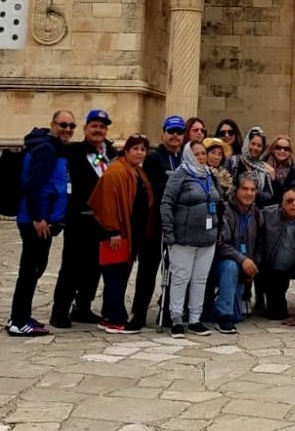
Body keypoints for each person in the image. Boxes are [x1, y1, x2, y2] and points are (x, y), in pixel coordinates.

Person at [6, 110, 74, 337]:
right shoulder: (46, 149)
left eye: (72, 126)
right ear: (52, 125)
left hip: (41, 219)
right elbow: (33, 184)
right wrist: (38, 217)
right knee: (31, 268)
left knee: (35, 267)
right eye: (63, 125)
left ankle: (20, 314)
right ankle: (18, 320)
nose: (67, 129)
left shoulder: (52, 147)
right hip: (36, 220)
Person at [51, 108, 116, 329]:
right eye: (94, 126)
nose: (98, 130)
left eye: (102, 127)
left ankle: (83, 306)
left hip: (101, 221)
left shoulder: (112, 154)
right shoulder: (73, 152)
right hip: (79, 219)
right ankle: (60, 309)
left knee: (94, 266)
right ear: (86, 128)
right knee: (71, 266)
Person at [89, 133, 156, 333]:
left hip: (133, 233)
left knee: (119, 274)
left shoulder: (136, 171)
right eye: (135, 148)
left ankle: (111, 313)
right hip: (117, 233)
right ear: (126, 150)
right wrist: (113, 231)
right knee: (115, 274)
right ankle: (114, 317)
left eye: (143, 149)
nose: (139, 152)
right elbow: (107, 203)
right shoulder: (117, 171)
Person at [161, 141, 221, 336]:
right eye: (197, 154)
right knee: (180, 278)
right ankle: (176, 318)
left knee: (200, 279)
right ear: (188, 155)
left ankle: (195, 318)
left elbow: (217, 201)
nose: (201, 157)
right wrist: (168, 231)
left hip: (207, 238)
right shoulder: (181, 174)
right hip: (183, 237)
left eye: (203, 153)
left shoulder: (208, 175)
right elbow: (167, 202)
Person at [134, 115, 185, 330]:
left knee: (174, 271)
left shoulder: (184, 157)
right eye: (171, 131)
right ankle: (138, 314)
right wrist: (173, 187)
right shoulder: (155, 158)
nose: (175, 136)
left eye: (179, 132)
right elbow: (151, 188)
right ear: (163, 133)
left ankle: (167, 312)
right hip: (154, 224)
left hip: (178, 224)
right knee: (148, 270)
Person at [255, 186, 295, 321]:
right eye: (289, 201)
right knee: (275, 314)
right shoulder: (267, 215)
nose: (294, 204)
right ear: (282, 203)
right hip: (274, 267)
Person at [213, 173, 261, 334]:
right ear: (236, 190)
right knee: (231, 266)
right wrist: (242, 260)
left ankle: (218, 307)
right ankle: (223, 315)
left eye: (252, 190)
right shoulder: (225, 211)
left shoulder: (256, 214)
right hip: (222, 264)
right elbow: (220, 244)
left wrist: (253, 265)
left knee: (237, 316)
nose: (249, 193)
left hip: (243, 266)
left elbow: (260, 244)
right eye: (245, 189)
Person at [230, 127, 274, 207]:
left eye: (259, 146)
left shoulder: (263, 168)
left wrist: (253, 192)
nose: (255, 148)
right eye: (253, 144)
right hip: (233, 210)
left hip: (254, 212)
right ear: (247, 143)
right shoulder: (233, 161)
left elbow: (269, 195)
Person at [263, 135, 295, 203]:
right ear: (273, 149)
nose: (282, 151)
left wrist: (274, 179)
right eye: (278, 147)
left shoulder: (293, 171)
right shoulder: (262, 163)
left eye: (286, 149)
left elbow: (288, 195)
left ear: (290, 152)